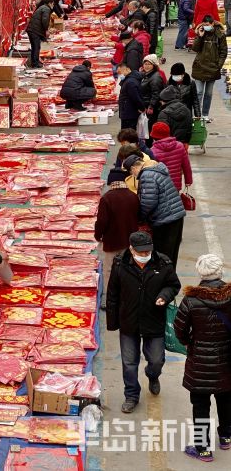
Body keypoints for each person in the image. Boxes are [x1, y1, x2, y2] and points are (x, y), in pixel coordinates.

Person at [106, 231, 181, 413]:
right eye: (140, 253)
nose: (144, 256)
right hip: (129, 322)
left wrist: (164, 296)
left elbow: (173, 285)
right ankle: (131, 395)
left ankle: (152, 375)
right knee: (129, 363)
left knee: (156, 360)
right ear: (131, 249)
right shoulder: (120, 264)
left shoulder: (163, 263)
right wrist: (113, 322)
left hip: (153, 320)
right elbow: (112, 294)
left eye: (147, 252)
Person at [174, 254, 231, 463]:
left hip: (199, 363)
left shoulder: (190, 300)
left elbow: (179, 329)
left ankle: (203, 449)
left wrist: (190, 341)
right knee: (226, 399)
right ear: (220, 272)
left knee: (200, 406)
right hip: (227, 360)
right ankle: (226, 436)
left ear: (200, 273)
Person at [123, 154, 186, 265]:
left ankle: (164, 279)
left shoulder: (147, 175)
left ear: (133, 168)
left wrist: (140, 218)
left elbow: (149, 202)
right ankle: (169, 277)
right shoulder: (155, 170)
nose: (133, 175)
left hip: (166, 219)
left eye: (131, 173)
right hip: (174, 215)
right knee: (172, 253)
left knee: (163, 255)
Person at [95, 172, 140, 308]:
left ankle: (110, 299)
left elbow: (101, 221)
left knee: (109, 270)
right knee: (129, 268)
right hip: (130, 241)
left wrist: (98, 235)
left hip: (112, 242)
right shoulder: (133, 196)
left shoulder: (107, 198)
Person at [191, 15, 228, 122]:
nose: (206, 27)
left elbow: (223, 52)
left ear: (212, 24)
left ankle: (205, 114)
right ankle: (196, 114)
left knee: (208, 93)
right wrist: (200, 36)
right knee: (199, 91)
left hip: (213, 68)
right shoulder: (201, 33)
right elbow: (195, 48)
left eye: (208, 25)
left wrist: (218, 65)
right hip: (199, 67)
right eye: (205, 25)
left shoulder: (220, 35)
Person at [149, 121, 193, 191]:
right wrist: (188, 180)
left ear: (154, 136)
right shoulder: (180, 146)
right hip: (176, 186)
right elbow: (186, 165)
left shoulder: (152, 151)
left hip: (160, 187)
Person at [116, 61, 145, 130]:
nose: (119, 75)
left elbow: (136, 97)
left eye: (120, 72)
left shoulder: (130, 82)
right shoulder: (129, 79)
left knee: (127, 134)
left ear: (127, 69)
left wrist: (141, 108)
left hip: (129, 113)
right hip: (128, 111)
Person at [25, 0, 53, 69]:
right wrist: (46, 30)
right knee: (36, 47)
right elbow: (45, 20)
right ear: (50, 3)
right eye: (53, 4)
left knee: (34, 47)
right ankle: (35, 63)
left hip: (32, 29)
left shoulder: (43, 7)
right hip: (34, 30)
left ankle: (35, 62)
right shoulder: (46, 9)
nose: (53, 5)